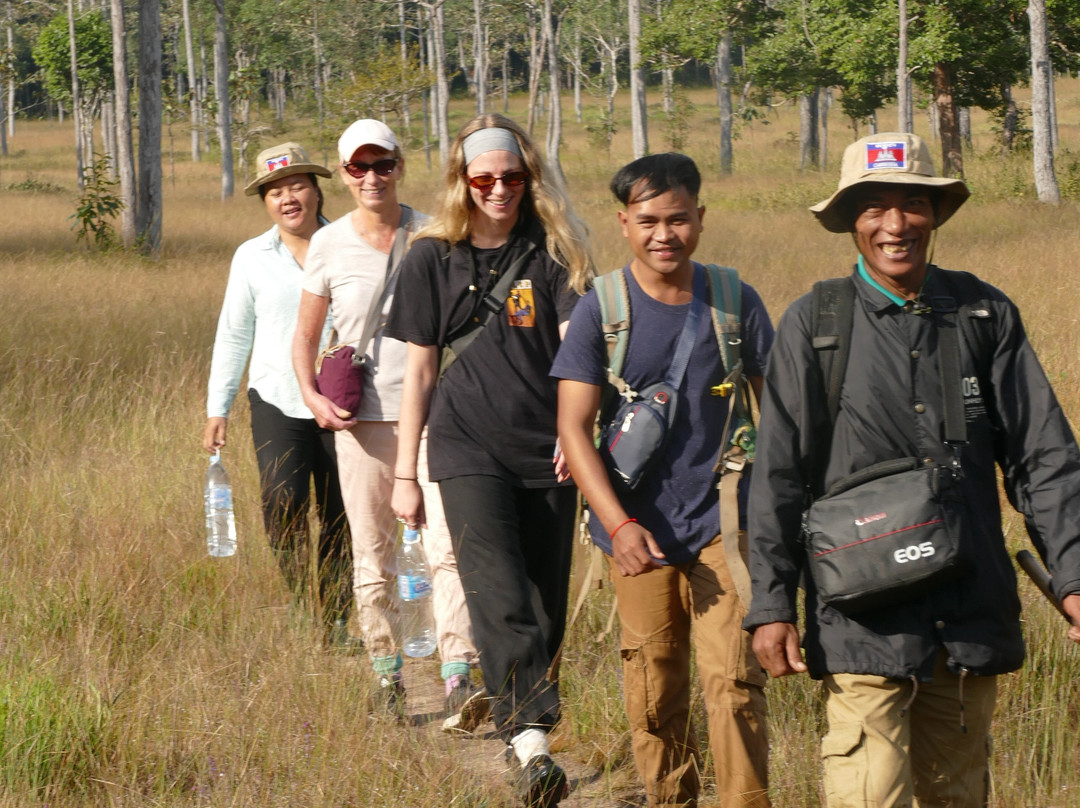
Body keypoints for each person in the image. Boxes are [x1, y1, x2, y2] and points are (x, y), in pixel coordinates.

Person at [745, 132, 1080, 808]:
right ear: (851, 221)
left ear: (936, 215)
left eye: (912, 206)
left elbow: (1044, 458)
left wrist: (1074, 577)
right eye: (874, 208)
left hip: (967, 616)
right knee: (867, 793)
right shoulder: (816, 323)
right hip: (861, 617)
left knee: (957, 793)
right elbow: (778, 473)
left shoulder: (984, 314)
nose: (895, 225)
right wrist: (772, 604)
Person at [553, 153, 773, 808]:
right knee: (653, 692)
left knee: (734, 685)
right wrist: (616, 525)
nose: (664, 234)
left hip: (726, 527)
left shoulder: (734, 302)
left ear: (699, 218)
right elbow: (573, 428)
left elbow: (784, 416)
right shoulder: (602, 309)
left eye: (678, 219)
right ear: (624, 222)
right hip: (636, 533)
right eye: (648, 220)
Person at [386, 113, 593, 808]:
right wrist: (406, 473)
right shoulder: (428, 258)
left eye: (511, 176)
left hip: (547, 446)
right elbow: (417, 374)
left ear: (528, 178)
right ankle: (531, 739)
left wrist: (577, 434)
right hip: (464, 445)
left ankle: (521, 721)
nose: (498, 189)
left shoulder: (556, 251)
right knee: (495, 589)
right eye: (483, 178)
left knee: (543, 598)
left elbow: (574, 351)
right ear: (461, 182)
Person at [291, 119, 478, 721]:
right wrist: (312, 397)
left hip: (438, 419)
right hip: (363, 424)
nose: (372, 178)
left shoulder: (436, 233)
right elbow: (306, 334)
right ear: (343, 175)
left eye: (383, 165)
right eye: (358, 168)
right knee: (374, 552)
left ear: (400, 165)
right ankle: (387, 673)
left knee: (449, 550)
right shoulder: (330, 244)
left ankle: (458, 674)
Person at [204, 142, 355, 649]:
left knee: (342, 511)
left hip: (342, 403)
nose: (288, 198)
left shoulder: (348, 242)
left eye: (297, 185)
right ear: (265, 202)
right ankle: (300, 600)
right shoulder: (252, 256)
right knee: (282, 501)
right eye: (275, 191)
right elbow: (234, 333)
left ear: (316, 189)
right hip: (276, 397)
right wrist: (217, 407)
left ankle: (335, 619)